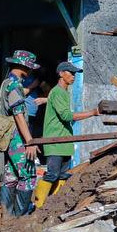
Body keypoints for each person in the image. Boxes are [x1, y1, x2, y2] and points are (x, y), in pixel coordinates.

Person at [34, 61, 96, 208]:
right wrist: (93, 113)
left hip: (64, 143)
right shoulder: (57, 92)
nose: (73, 76)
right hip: (55, 142)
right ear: (61, 74)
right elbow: (67, 116)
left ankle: (54, 206)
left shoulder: (62, 93)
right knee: (52, 174)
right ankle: (39, 206)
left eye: (74, 73)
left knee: (62, 176)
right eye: (70, 73)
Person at [0, 50, 41, 217]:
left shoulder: (6, 82)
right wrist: (29, 141)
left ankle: (7, 217)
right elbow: (18, 115)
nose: (31, 71)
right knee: (28, 175)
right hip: (17, 137)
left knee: (11, 175)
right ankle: (18, 218)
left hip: (9, 136)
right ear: (24, 67)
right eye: (30, 67)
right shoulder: (14, 86)